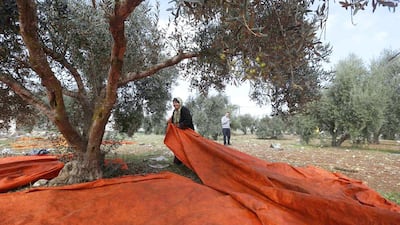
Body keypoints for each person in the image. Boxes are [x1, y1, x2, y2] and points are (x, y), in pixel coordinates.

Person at [167, 97, 194, 165]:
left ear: (180, 103)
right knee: (178, 145)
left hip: (187, 132)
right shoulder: (174, 111)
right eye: (173, 103)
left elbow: (188, 120)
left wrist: (180, 125)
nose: (174, 104)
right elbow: (173, 121)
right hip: (179, 132)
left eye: (176, 102)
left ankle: (189, 161)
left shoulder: (184, 110)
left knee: (187, 147)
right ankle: (178, 161)